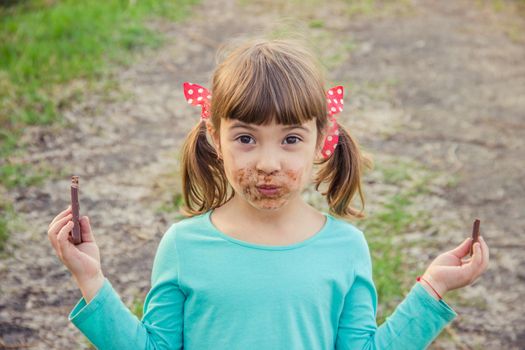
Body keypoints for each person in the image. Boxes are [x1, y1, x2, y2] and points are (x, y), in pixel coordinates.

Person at [47, 37, 489, 349]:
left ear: (323, 141)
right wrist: (90, 280)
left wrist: (434, 286)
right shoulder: (183, 245)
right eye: (245, 138)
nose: (268, 162)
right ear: (214, 138)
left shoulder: (346, 248)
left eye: (291, 139)